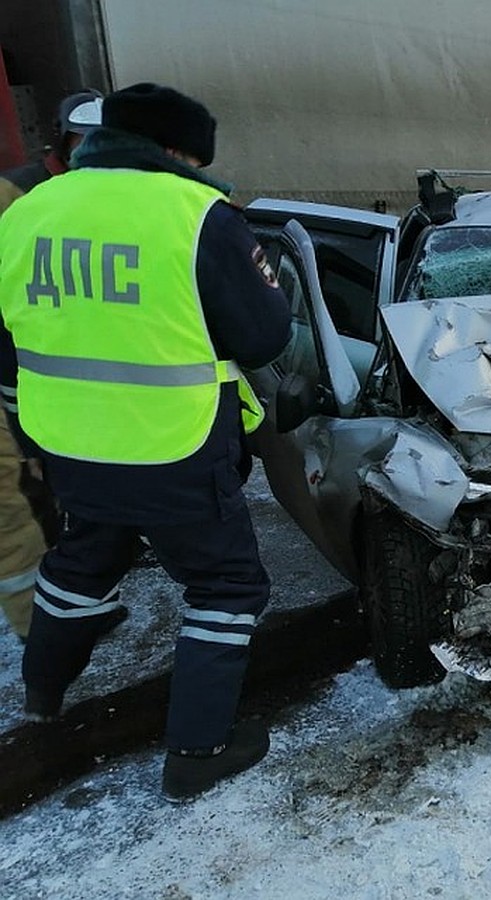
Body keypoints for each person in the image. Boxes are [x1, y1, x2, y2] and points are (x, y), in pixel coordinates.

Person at [0, 82, 291, 802]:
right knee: (226, 586)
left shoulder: (30, 210)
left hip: (68, 437)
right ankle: (199, 749)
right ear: (171, 150)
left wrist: (21, 422)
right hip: (175, 443)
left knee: (86, 554)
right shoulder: (198, 216)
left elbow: (8, 339)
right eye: (193, 157)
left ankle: (43, 692)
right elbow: (263, 337)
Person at [0, 90, 104, 643]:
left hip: (70, 383)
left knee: (72, 486)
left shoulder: (108, 196)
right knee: (19, 497)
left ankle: (72, 600)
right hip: (18, 379)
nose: (95, 152)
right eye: (83, 141)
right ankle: (41, 628)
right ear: (61, 142)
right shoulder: (15, 195)